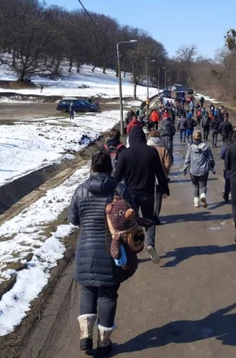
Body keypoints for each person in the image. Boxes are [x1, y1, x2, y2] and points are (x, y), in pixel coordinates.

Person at [68, 151, 135, 354]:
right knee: (107, 294)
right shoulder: (119, 189)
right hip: (111, 250)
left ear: (92, 168)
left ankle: (85, 336)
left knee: (88, 289)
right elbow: (132, 215)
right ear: (110, 168)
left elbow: (73, 219)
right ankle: (104, 342)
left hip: (86, 249)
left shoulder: (80, 190)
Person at [112, 126, 169, 264]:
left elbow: (117, 176)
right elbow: (159, 173)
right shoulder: (152, 152)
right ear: (144, 138)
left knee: (130, 222)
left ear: (130, 139)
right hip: (148, 193)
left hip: (130, 195)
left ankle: (130, 250)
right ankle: (150, 244)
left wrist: (112, 192)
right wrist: (164, 188)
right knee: (149, 220)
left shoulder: (125, 154)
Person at [184, 131, 216, 208]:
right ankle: (203, 195)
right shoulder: (206, 147)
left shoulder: (190, 147)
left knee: (195, 185)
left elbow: (187, 159)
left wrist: (185, 169)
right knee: (203, 185)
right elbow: (211, 158)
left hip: (193, 170)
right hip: (204, 170)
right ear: (201, 137)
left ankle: (196, 202)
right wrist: (212, 165)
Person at [147, 130, 172, 226]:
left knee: (149, 196)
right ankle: (156, 216)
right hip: (160, 177)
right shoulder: (163, 149)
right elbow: (167, 164)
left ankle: (149, 215)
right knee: (158, 197)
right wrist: (166, 173)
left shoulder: (146, 148)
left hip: (148, 176)